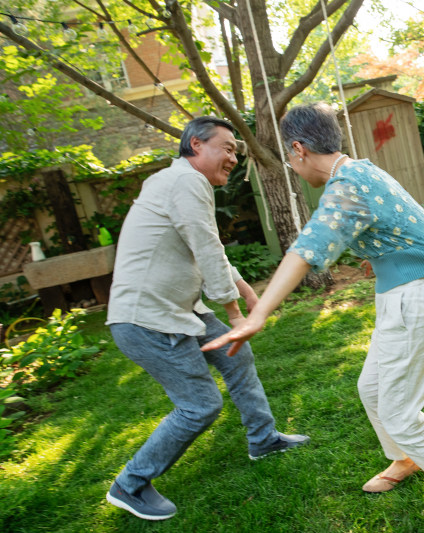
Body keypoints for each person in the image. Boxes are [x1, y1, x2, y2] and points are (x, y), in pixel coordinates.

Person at [202, 102, 424, 519]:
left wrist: (258, 313)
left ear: (299, 148)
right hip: (402, 297)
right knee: (371, 389)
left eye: (288, 154)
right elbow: (399, 224)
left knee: (398, 408)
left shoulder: (348, 183)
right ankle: (405, 457)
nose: (291, 163)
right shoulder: (359, 172)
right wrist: (382, 254)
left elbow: (306, 249)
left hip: (417, 302)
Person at [105, 116, 309, 521]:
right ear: (196, 145)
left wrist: (248, 293)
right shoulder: (185, 181)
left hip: (180, 312)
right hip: (147, 321)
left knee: (238, 357)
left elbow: (209, 246)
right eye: (227, 148)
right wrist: (235, 312)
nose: (234, 157)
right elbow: (205, 245)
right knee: (199, 406)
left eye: (236, 150)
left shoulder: (176, 181)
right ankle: (130, 484)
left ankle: (263, 438)